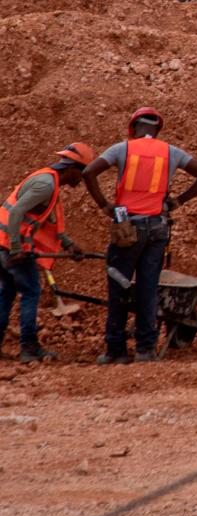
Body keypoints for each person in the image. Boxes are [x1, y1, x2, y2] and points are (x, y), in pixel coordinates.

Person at [82, 109, 197, 364]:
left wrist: (104, 205)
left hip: (127, 227)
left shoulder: (122, 149)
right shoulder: (170, 152)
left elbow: (89, 172)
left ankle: (116, 350)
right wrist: (177, 202)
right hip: (158, 227)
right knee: (148, 288)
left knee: (119, 283)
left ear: (133, 129)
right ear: (157, 131)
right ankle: (146, 349)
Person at [1, 143, 93, 363]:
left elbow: (51, 224)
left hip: (2, 244)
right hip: (10, 247)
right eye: (82, 174)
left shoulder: (49, 181)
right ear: (72, 168)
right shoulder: (46, 185)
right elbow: (16, 214)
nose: (82, 180)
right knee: (31, 292)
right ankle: (29, 348)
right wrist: (16, 247)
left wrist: (69, 245)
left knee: (6, 294)